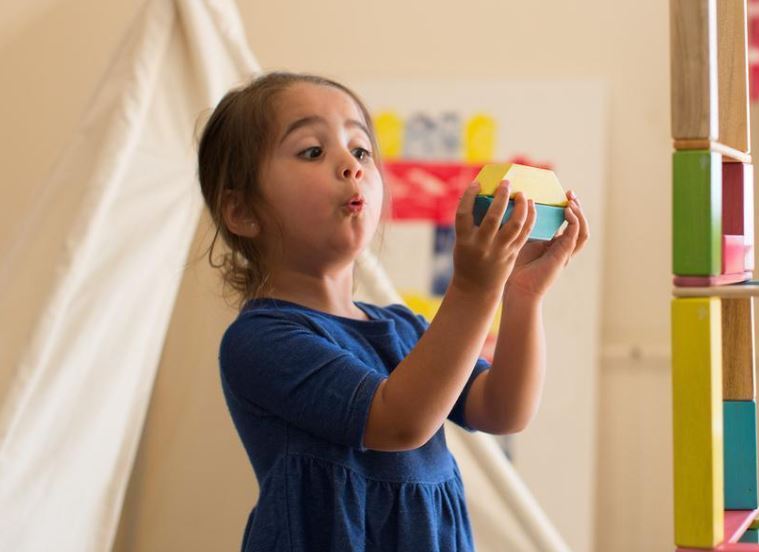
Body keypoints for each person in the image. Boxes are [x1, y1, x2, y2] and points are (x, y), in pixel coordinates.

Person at [196, 71, 589, 551]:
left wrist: (522, 296)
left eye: (360, 150)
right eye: (312, 151)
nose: (350, 164)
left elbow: (501, 410)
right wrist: (469, 288)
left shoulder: (402, 328)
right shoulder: (260, 340)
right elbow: (397, 421)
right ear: (241, 212)